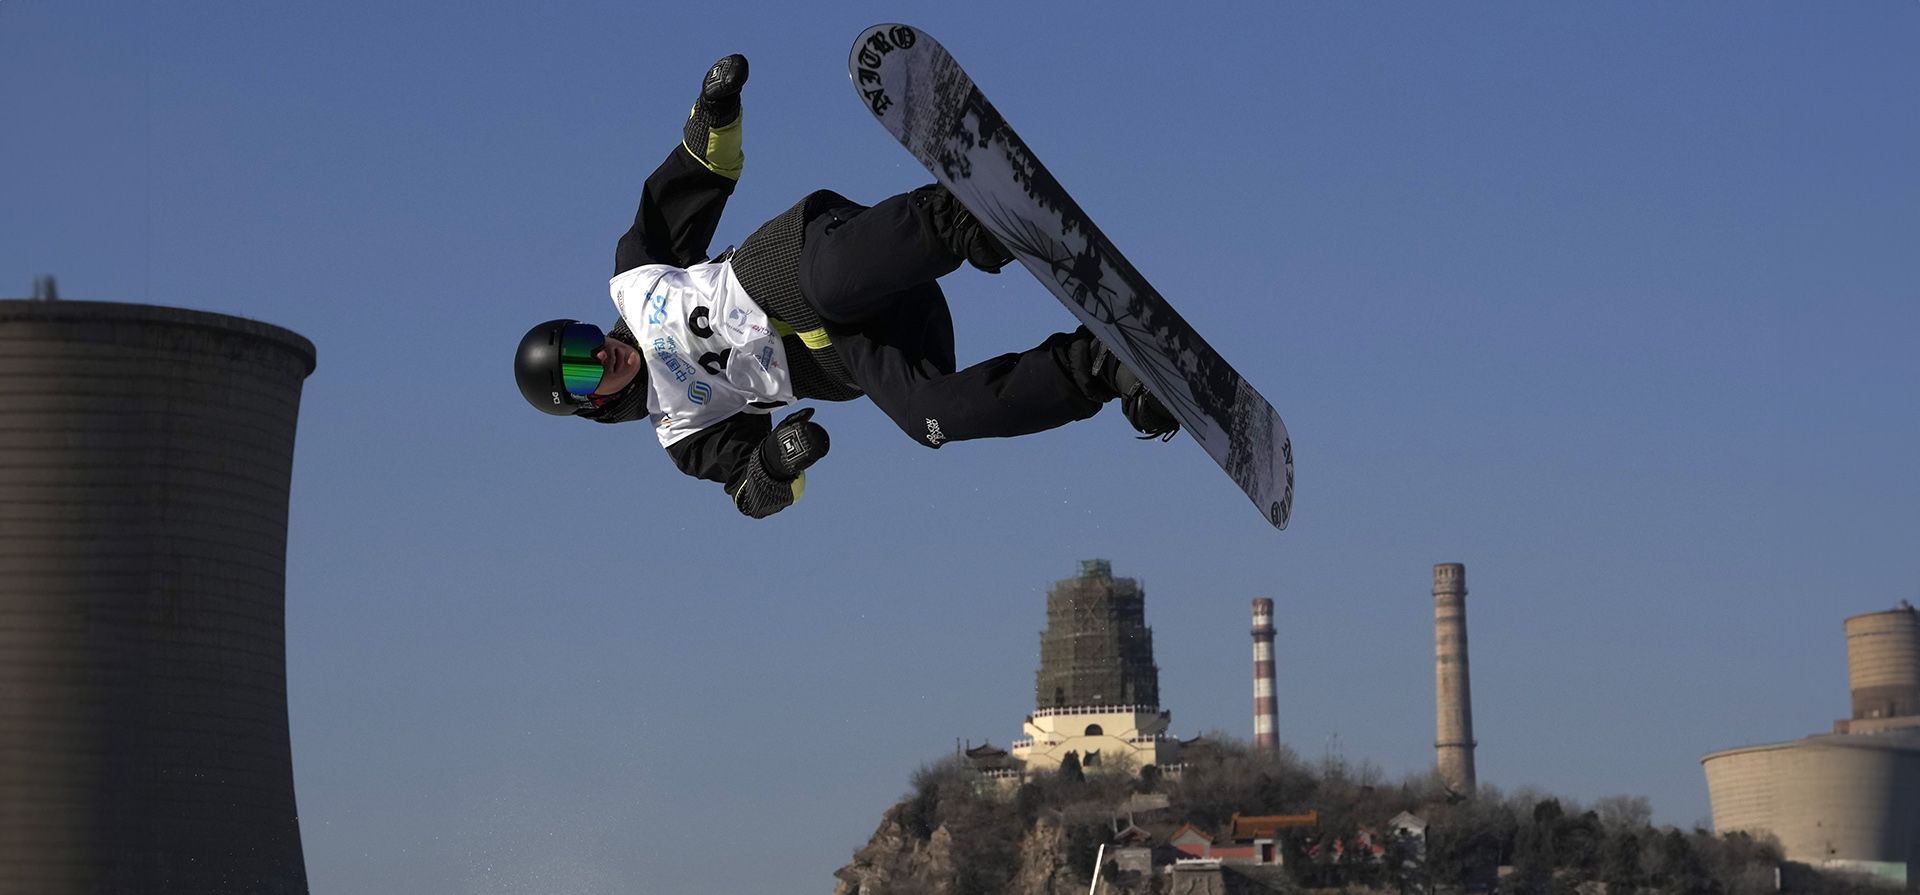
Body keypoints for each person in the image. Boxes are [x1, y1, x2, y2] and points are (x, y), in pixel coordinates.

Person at [514, 54, 1177, 518]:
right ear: (587, 406)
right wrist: (777, 459)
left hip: (806, 260)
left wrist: (714, 110)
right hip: (853, 347)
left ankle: (967, 220)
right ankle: (1101, 367)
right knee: (928, 421)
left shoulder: (634, 279)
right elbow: (752, 493)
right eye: (579, 369)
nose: (599, 354)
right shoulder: (682, 431)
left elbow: (696, 175)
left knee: (828, 287)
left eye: (580, 339)